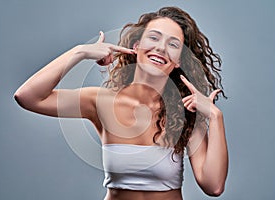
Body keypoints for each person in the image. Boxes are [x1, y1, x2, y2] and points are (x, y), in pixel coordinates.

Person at [14, 6, 228, 200]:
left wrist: (215, 117)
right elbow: (28, 97)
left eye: (173, 44)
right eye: (154, 38)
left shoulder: (186, 112)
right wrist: (80, 51)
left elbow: (214, 186)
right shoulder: (100, 102)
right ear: (137, 46)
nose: (161, 48)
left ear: (178, 60)